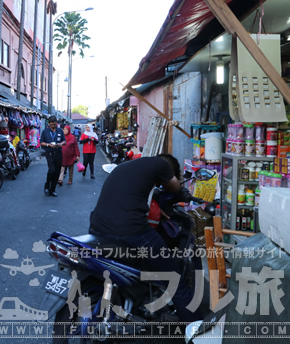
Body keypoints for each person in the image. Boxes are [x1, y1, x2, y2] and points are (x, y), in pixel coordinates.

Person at [88, 154, 200, 322]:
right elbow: (175, 187)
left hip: (97, 228)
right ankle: (198, 329)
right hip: (131, 231)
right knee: (175, 280)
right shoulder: (160, 164)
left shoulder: (127, 166)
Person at [40, 116, 66, 197]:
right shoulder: (45, 131)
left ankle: (53, 189)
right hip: (49, 152)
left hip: (58, 152)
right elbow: (41, 142)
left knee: (57, 171)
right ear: (49, 123)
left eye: (54, 124)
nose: (53, 126)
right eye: (52, 124)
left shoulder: (60, 131)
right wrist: (48, 145)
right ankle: (47, 186)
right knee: (52, 170)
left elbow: (64, 141)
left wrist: (60, 144)